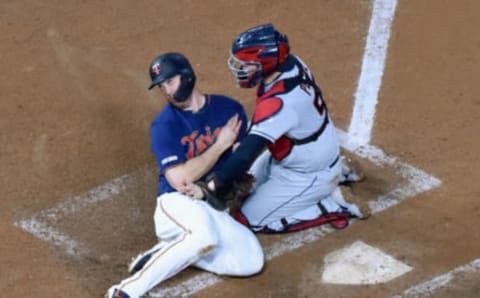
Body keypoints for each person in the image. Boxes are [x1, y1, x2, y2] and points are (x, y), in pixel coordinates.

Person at [106, 52, 264, 298]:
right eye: (161, 87)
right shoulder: (164, 125)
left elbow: (240, 163)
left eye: (170, 82)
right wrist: (220, 145)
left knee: (251, 261)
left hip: (209, 204)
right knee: (204, 237)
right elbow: (180, 180)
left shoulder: (229, 110)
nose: (167, 91)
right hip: (176, 203)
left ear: (187, 76)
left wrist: (222, 183)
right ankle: (125, 291)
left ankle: (167, 252)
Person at [200, 23, 368, 233]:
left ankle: (333, 203)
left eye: (247, 64)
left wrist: (218, 183)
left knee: (248, 219)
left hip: (308, 172)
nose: (242, 69)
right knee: (246, 184)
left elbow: (245, 155)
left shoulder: (280, 103)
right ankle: (340, 170)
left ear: (266, 62)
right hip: (312, 151)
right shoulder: (293, 65)